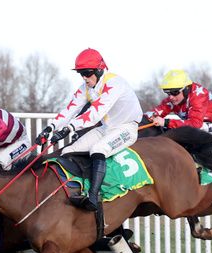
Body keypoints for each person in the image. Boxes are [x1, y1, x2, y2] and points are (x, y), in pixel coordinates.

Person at [37, 48, 142, 211]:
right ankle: (76, 190)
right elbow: (70, 109)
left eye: (87, 73)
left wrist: (69, 128)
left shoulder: (115, 84)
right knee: (68, 151)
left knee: (98, 149)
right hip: (106, 128)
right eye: (81, 74)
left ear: (99, 70)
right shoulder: (85, 88)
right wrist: (50, 127)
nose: (84, 78)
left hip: (127, 128)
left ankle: (94, 196)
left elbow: (95, 113)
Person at [146, 69, 212, 155]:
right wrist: (150, 117)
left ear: (186, 89)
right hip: (203, 129)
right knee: (166, 129)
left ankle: (200, 160)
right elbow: (153, 113)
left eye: (174, 92)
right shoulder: (174, 100)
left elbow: (195, 124)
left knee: (191, 128)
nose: (171, 97)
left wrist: (166, 122)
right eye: (168, 93)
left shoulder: (199, 95)